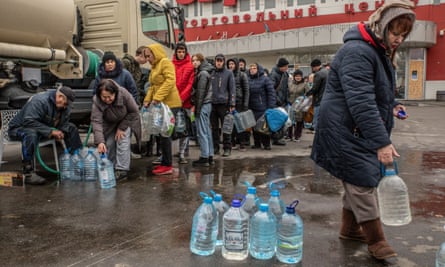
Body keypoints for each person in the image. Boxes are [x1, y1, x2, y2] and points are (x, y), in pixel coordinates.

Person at [310, 0, 415, 261]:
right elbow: (361, 101)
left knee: (356, 179)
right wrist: (381, 142)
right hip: (343, 129)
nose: (399, 39)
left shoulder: (376, 50)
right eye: (395, 33)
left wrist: (392, 105)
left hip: (354, 128)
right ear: (381, 26)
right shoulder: (359, 51)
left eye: (403, 35)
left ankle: (350, 230)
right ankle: (377, 240)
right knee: (362, 182)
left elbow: (375, 92)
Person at [8, 86, 82, 185]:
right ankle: (28, 173)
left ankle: (76, 161)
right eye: (65, 104)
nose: (65, 107)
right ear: (60, 97)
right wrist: (50, 131)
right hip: (19, 128)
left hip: (43, 128)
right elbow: (29, 121)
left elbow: (64, 123)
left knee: (71, 128)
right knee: (31, 133)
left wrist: (61, 131)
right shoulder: (40, 101)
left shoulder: (65, 106)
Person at [143, 43, 182, 175]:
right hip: (160, 105)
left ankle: (168, 165)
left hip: (170, 104)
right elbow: (152, 86)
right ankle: (165, 162)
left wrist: (157, 98)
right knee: (161, 133)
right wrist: (147, 100)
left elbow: (170, 81)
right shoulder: (154, 67)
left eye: (149, 56)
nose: (147, 59)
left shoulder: (165, 63)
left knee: (166, 134)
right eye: (146, 56)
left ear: (156, 53)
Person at [91, 79, 141, 181]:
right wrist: (100, 142)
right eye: (104, 97)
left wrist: (121, 128)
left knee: (121, 140)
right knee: (108, 143)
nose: (107, 99)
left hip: (126, 120)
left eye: (110, 96)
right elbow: (96, 121)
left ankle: (122, 170)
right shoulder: (97, 101)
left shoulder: (123, 94)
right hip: (109, 123)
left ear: (115, 93)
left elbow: (134, 112)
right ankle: (112, 168)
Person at [190, 53, 215, 167]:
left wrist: (197, 109)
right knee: (207, 131)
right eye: (193, 60)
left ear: (201, 61)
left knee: (202, 131)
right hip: (206, 104)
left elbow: (200, 93)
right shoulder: (204, 72)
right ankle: (209, 155)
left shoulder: (203, 73)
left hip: (203, 104)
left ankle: (205, 156)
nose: (194, 62)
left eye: (196, 60)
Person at [172, 42, 194, 164]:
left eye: (182, 52)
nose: (181, 54)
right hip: (173, 102)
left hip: (185, 103)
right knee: (171, 128)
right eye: (179, 52)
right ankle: (172, 152)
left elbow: (190, 85)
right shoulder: (171, 65)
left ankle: (182, 153)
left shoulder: (190, 66)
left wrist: (182, 98)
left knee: (184, 129)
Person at [210, 53, 236, 157]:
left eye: (221, 61)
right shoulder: (211, 73)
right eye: (217, 61)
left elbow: (232, 89)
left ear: (223, 62)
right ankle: (215, 148)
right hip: (212, 104)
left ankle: (227, 148)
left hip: (224, 104)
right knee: (214, 128)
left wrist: (232, 103)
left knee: (226, 127)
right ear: (215, 61)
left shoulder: (229, 73)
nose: (219, 63)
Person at [247, 63, 276, 150]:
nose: (252, 69)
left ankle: (266, 144)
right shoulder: (248, 79)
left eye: (254, 68)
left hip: (262, 107)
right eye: (251, 68)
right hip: (252, 107)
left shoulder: (265, 79)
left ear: (258, 69)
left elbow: (271, 93)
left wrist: (271, 106)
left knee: (264, 127)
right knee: (254, 127)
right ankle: (257, 143)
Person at [226, 57, 250, 151]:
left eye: (232, 64)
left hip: (239, 102)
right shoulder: (227, 75)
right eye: (229, 64)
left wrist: (245, 104)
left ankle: (242, 143)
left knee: (240, 124)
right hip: (229, 103)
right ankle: (232, 142)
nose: (231, 66)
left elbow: (246, 90)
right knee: (231, 124)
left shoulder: (242, 75)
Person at [269, 57, 290, 146]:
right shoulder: (274, 74)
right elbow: (271, 89)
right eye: (285, 66)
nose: (287, 68)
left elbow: (286, 88)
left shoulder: (285, 74)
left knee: (282, 120)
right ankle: (275, 138)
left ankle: (279, 137)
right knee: (277, 120)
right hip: (277, 102)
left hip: (283, 101)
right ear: (281, 66)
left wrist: (287, 99)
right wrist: (277, 100)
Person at [306, 58, 328, 132]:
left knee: (316, 121)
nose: (313, 69)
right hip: (326, 100)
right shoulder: (327, 72)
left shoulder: (318, 74)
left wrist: (307, 94)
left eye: (312, 67)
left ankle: (316, 142)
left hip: (319, 100)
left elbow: (315, 88)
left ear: (315, 67)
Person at [287, 69, 310, 141]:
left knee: (299, 121)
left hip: (300, 105)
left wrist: (304, 103)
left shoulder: (305, 84)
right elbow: (288, 93)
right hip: (291, 104)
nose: (298, 77)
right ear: (294, 76)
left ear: (301, 77)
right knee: (290, 120)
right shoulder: (290, 84)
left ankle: (297, 136)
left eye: (299, 76)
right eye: (296, 76)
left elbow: (308, 94)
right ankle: (289, 135)